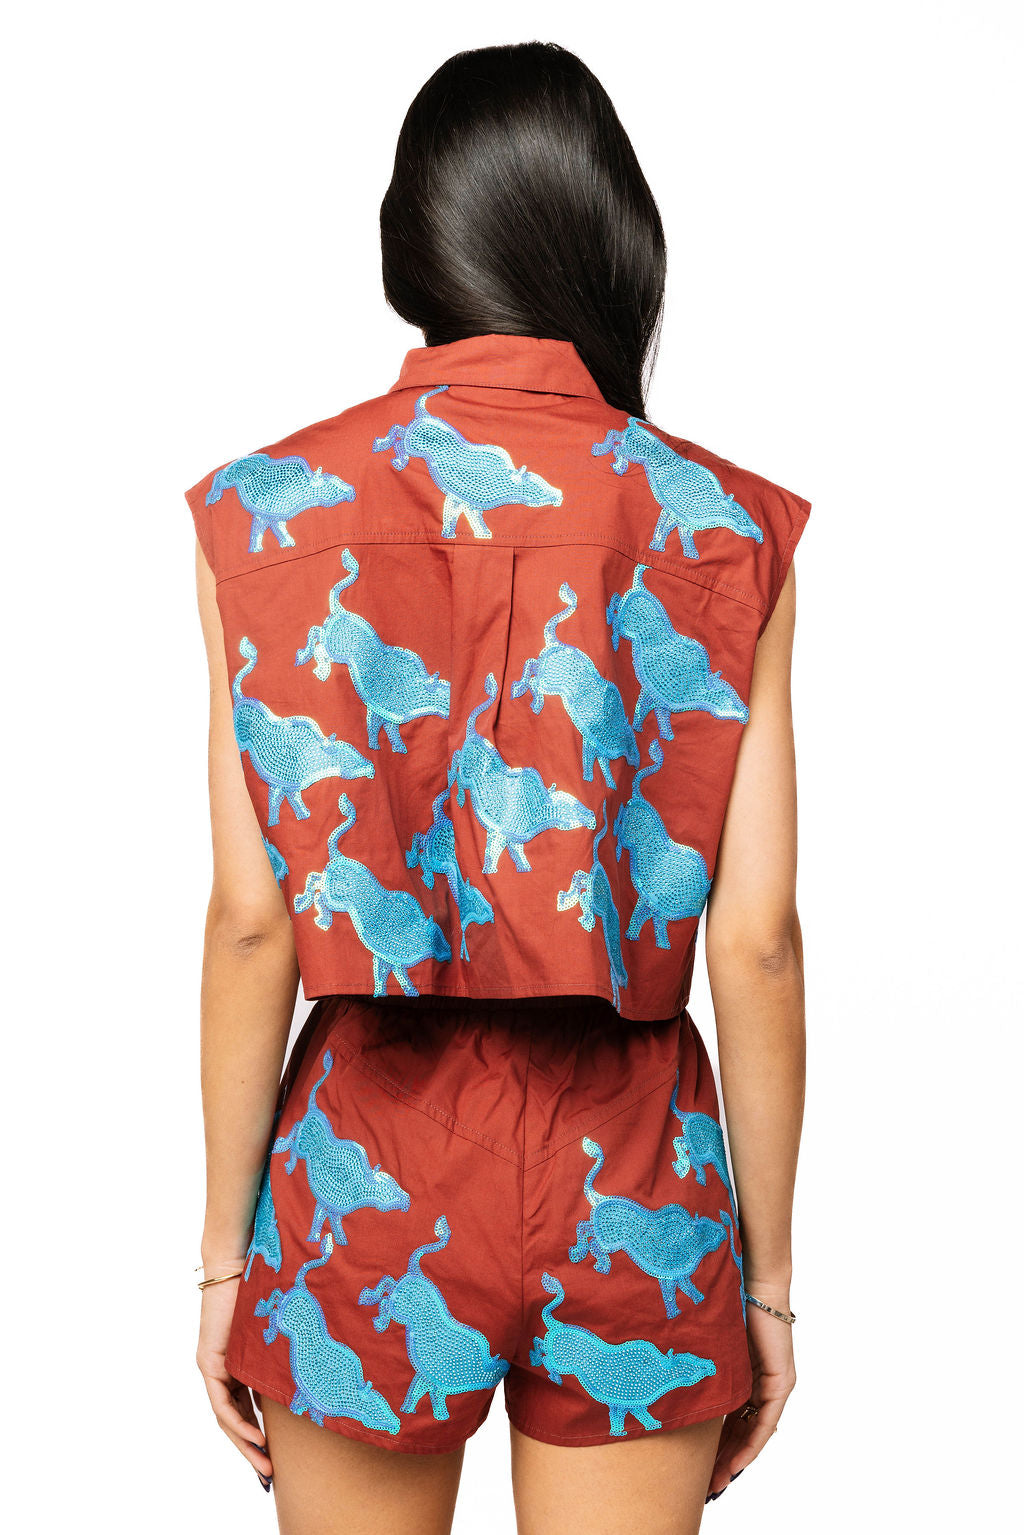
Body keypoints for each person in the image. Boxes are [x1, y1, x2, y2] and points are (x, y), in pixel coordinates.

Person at [188, 41, 809, 1535]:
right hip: (636, 1161)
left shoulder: (266, 515)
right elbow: (757, 940)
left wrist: (222, 1258)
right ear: (617, 240)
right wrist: (768, 1282)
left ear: (410, 247)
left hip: (368, 1150)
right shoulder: (723, 526)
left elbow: (254, 921)